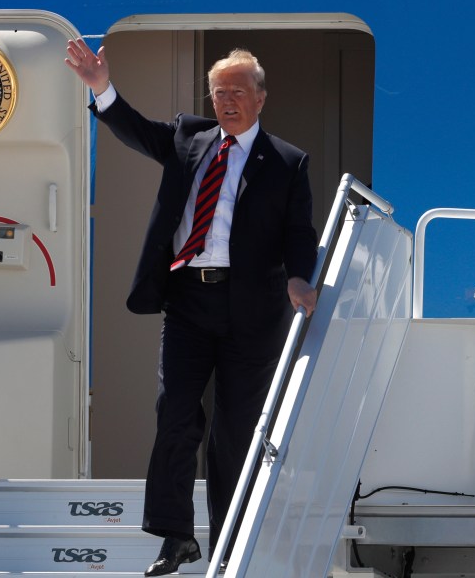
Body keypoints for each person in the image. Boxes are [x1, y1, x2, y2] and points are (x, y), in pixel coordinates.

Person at [65, 38, 318, 576]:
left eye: (237, 92)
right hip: (188, 300)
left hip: (252, 308)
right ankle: (176, 536)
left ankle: (227, 541)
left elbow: (299, 230)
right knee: (175, 414)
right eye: (218, 92)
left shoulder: (288, 162)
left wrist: (299, 278)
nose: (226, 101)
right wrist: (100, 88)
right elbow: (136, 129)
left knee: (236, 429)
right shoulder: (188, 138)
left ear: (261, 97)